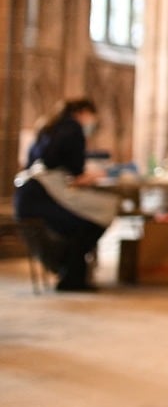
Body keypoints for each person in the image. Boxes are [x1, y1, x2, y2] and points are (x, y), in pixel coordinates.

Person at [13, 98, 116, 291]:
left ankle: (70, 270)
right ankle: (71, 275)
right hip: (41, 197)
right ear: (83, 112)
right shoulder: (73, 129)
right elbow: (76, 170)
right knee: (96, 217)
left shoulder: (49, 126)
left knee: (85, 219)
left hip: (27, 194)